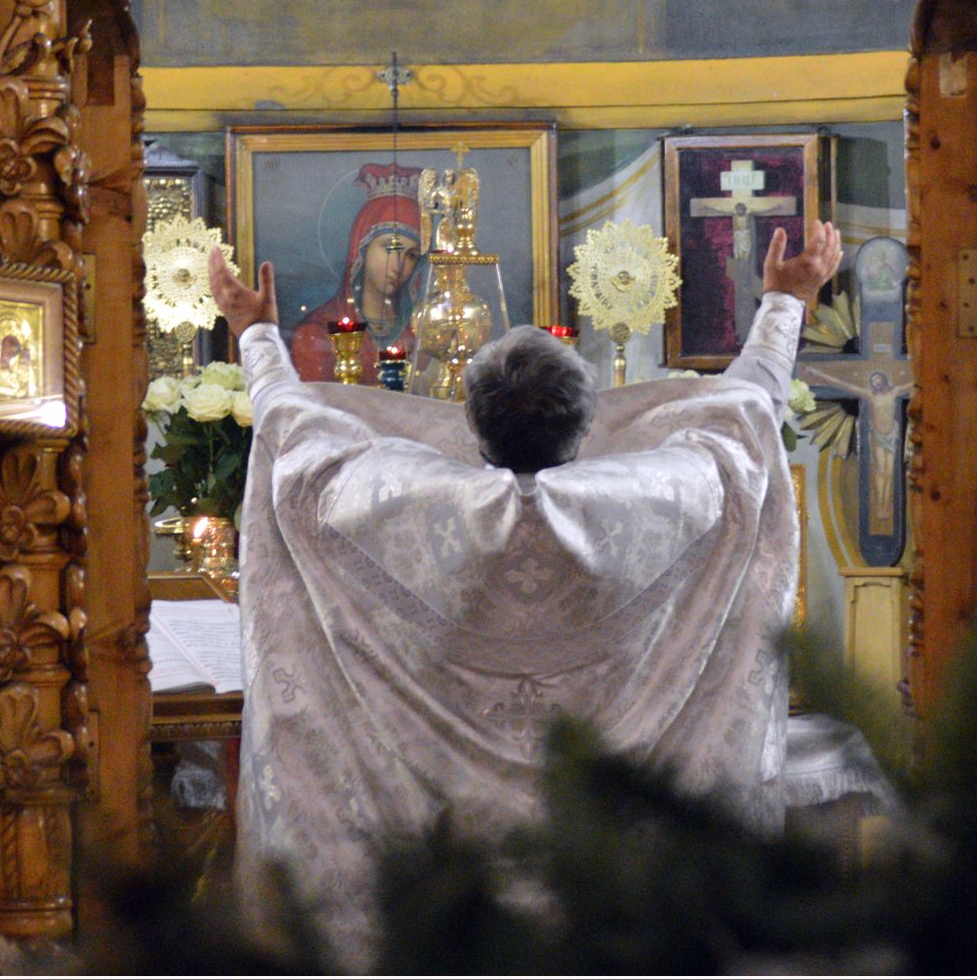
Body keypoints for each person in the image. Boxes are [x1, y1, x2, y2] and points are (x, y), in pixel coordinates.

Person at [209, 221, 843, 967]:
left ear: (471, 425)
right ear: (588, 424)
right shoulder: (658, 498)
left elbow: (291, 431)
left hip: (445, 879)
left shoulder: (398, 502)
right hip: (607, 872)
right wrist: (784, 303)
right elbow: (746, 415)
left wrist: (255, 332)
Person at [289, 162, 425, 384]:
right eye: (389, 248)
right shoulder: (317, 332)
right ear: (361, 248)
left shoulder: (423, 336)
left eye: (411, 255)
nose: (398, 265)